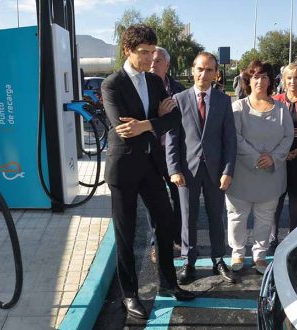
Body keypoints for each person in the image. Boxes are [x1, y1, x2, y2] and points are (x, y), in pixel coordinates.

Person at [101, 24, 194, 320]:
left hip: (152, 166)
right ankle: (130, 294)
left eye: (153, 52)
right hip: (124, 168)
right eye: (144, 52)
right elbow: (124, 129)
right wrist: (153, 122)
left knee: (166, 223)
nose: (150, 58)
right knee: (126, 234)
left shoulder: (154, 81)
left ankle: (168, 283)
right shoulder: (112, 84)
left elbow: (176, 117)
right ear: (128, 50)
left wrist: (146, 124)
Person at [166, 52, 237, 285]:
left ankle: (218, 259)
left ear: (216, 73)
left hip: (216, 171)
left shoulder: (223, 101)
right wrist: (174, 168)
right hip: (187, 171)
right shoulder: (179, 99)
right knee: (188, 217)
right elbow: (172, 137)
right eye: (199, 69)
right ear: (192, 70)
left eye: (209, 70)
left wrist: (228, 171)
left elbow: (230, 140)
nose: (203, 74)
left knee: (217, 216)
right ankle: (189, 261)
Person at [227, 60, 294, 274]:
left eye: (264, 76)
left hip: (270, 175)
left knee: (265, 218)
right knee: (237, 216)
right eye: (255, 76)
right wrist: (256, 157)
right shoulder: (237, 108)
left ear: (270, 81)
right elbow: (234, 138)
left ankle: (260, 255)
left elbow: (288, 137)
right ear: (248, 80)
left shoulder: (282, 109)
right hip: (242, 174)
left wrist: (273, 157)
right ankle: (237, 253)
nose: (260, 80)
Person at [146, 46, 185, 264]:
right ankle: (157, 243)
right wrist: (160, 118)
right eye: (150, 60)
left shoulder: (178, 91)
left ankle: (179, 238)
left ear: (167, 64)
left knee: (179, 198)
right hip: (151, 154)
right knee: (155, 201)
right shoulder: (140, 89)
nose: (152, 64)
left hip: (175, 156)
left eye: (158, 60)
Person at [270, 63, 297, 246]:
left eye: (296, 77)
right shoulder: (275, 100)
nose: (293, 81)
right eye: (289, 77)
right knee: (276, 197)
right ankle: (272, 236)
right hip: (278, 155)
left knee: (295, 196)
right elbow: (267, 129)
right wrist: (279, 151)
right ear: (283, 80)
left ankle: (292, 233)